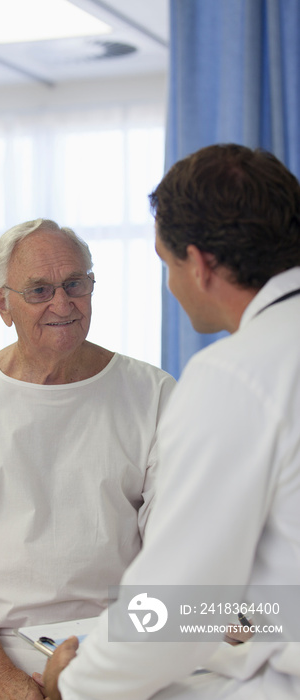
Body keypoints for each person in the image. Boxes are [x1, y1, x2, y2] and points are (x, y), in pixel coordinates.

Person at [41, 144, 300, 700]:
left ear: (199, 264)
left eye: (166, 264)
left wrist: (76, 682)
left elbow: (177, 598)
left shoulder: (234, 376)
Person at [0, 218, 175, 700]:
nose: (63, 303)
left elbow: (173, 543)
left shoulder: (152, 393)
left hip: (114, 633)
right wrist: (3, 679)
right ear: (1, 303)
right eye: (39, 290)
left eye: (76, 284)